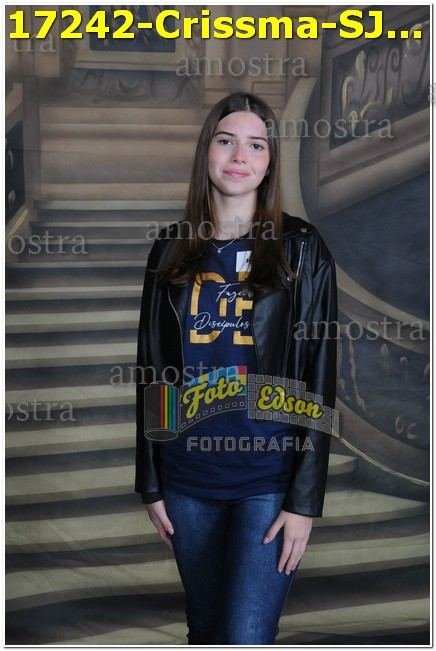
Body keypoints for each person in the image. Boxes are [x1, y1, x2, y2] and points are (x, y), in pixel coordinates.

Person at [135, 91, 338, 645]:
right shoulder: (171, 249)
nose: (239, 156)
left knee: (246, 635)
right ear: (207, 150)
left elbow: (319, 372)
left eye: (256, 145)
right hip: (187, 477)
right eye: (226, 141)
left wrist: (304, 500)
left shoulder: (302, 248)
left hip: (267, 478)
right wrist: (151, 481)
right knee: (205, 631)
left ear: (270, 162)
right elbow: (153, 369)